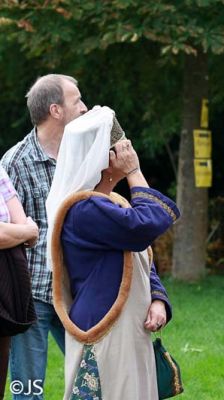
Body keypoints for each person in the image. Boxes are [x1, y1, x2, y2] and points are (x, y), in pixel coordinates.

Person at [45, 106, 179, 399]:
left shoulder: (112, 203)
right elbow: (146, 226)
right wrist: (135, 171)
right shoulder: (85, 209)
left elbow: (143, 259)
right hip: (106, 326)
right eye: (122, 146)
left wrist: (158, 299)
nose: (129, 151)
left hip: (129, 325)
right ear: (104, 158)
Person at [1, 74, 87, 399]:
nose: (84, 107)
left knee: (95, 383)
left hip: (77, 292)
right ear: (56, 110)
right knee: (28, 392)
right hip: (33, 296)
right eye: (76, 100)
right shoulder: (15, 164)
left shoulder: (82, 156)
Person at [0, 166, 39, 400]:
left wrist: (20, 231)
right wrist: (21, 232)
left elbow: (29, 229)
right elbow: (25, 229)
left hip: (4, 288)